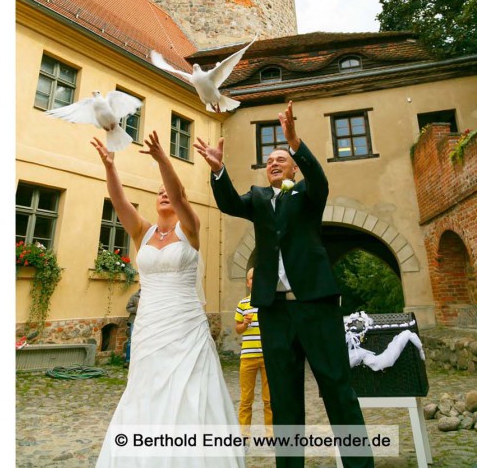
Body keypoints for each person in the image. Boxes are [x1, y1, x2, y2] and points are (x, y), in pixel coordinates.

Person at [196, 101, 372, 468]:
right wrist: (218, 170)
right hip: (273, 310)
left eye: (281, 158)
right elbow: (228, 203)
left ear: (293, 166)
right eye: (269, 160)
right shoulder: (259, 199)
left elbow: (320, 181)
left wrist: (294, 142)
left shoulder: (307, 196)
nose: (273, 163)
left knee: (337, 389)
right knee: (284, 398)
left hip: (316, 305)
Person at [95, 130, 242, 467]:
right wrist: (110, 168)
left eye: (169, 192)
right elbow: (118, 201)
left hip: (184, 325)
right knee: (147, 388)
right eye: (158, 192)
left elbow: (176, 193)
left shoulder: (189, 228)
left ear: (179, 199)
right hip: (149, 325)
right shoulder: (142, 232)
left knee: (188, 389)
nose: (164, 194)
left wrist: (163, 159)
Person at [234, 268, 272, 436]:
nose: (255, 281)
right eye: (252, 278)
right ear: (248, 283)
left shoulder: (268, 302)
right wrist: (245, 324)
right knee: (246, 400)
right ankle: (244, 438)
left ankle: (271, 437)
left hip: (267, 357)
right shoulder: (242, 304)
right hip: (247, 357)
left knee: (269, 401)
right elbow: (238, 329)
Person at [123, 289, 140, 366]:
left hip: (146, 321)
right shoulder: (134, 296)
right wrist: (137, 308)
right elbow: (128, 308)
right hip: (134, 320)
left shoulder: (150, 296)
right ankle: (128, 360)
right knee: (131, 340)